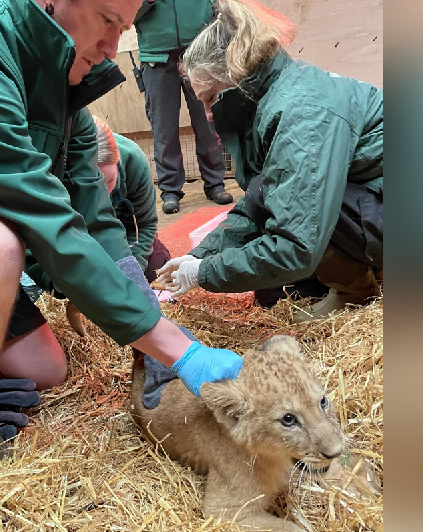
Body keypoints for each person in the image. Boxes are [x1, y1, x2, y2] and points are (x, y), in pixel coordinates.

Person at [0, 0, 243, 459]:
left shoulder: (70, 97)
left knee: (44, 369)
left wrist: (149, 318)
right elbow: (46, 223)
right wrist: (177, 349)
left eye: (124, 28)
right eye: (107, 21)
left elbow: (96, 222)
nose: (112, 48)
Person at [155, 0, 383, 319]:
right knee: (275, 292)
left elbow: (296, 242)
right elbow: (256, 206)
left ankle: (356, 292)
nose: (207, 116)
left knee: (270, 205)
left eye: (209, 99)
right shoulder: (274, 97)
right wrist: (198, 257)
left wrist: (204, 272)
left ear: (234, 74)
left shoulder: (300, 112)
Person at [132, 0, 233, 214]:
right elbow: (126, 14)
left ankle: (215, 183)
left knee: (207, 123)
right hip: (155, 58)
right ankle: (170, 190)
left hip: (200, 52)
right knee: (163, 130)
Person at [93, 116, 172, 282]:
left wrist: (133, 273)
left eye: (110, 181)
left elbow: (145, 225)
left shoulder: (133, 161)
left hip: (124, 237)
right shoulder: (51, 170)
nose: (105, 194)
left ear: (118, 161)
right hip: (82, 242)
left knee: (158, 266)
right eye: (96, 188)